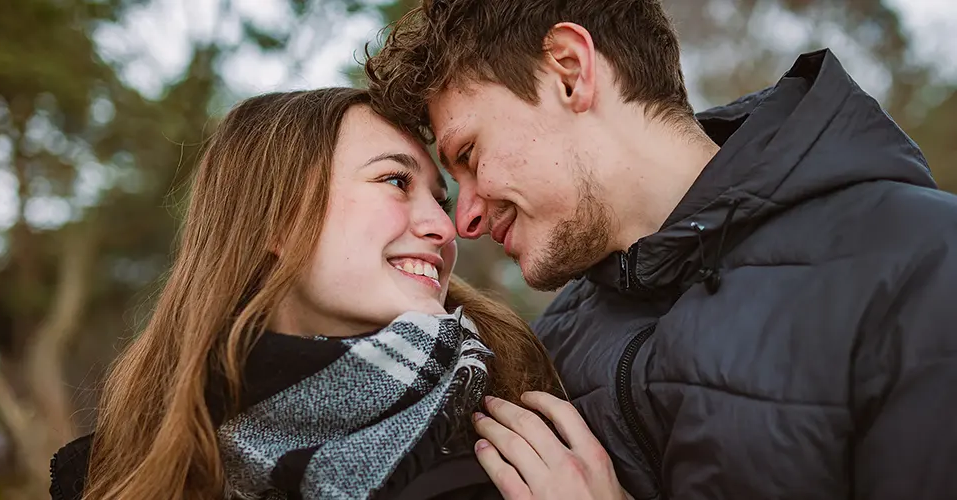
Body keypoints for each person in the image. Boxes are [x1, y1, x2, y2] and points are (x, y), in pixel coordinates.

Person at [364, 1, 957, 499]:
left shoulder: (922, 261)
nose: (462, 217)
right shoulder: (544, 356)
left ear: (570, 71)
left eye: (468, 155)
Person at [48, 88, 627, 500]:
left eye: (439, 198)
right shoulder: (117, 475)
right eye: (395, 181)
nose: (445, 228)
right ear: (277, 219)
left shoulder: (525, 441)